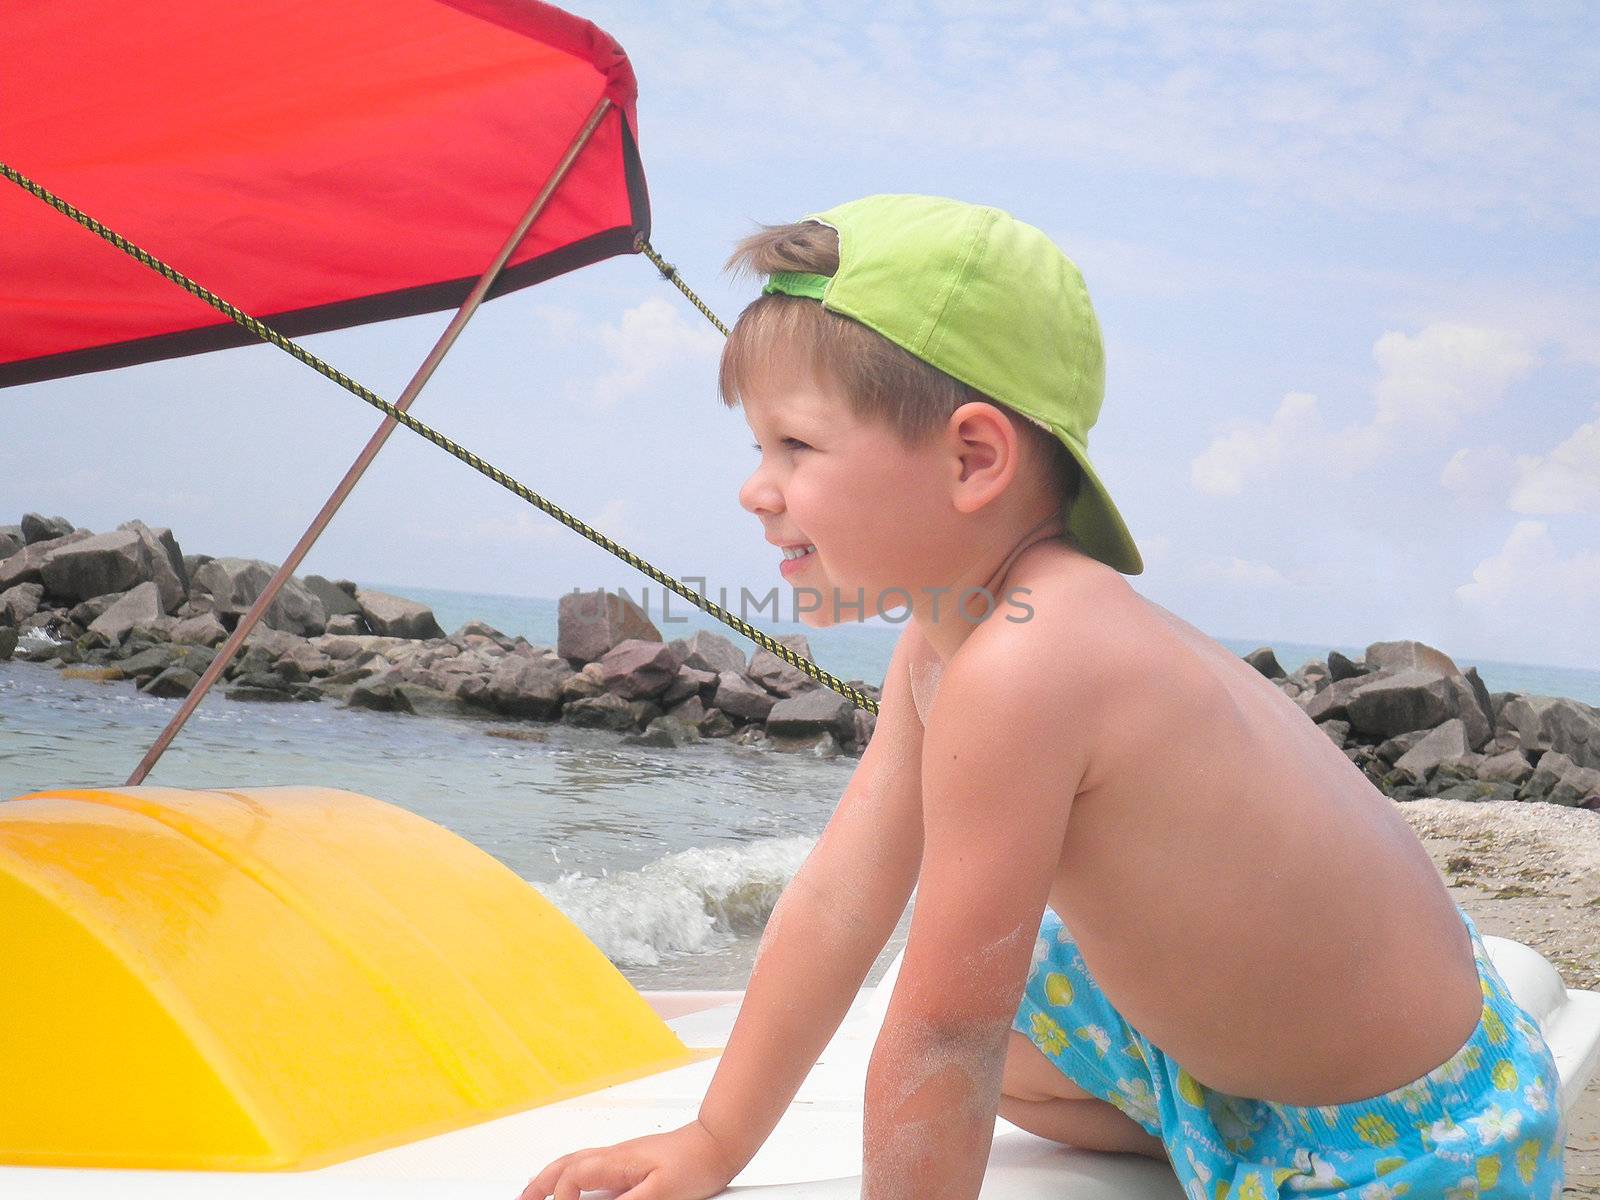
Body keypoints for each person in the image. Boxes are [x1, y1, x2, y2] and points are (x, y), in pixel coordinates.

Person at [521, 194, 1566, 1200]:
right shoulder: (952, 641)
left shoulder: (1025, 666)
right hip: (1262, 1052)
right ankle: (1201, 1125)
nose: (757, 486)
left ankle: (1219, 1131)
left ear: (973, 458)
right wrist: (714, 1137)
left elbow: (945, 1039)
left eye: (794, 445)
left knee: (960, 1015)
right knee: (1010, 997)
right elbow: (841, 897)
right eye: (757, 447)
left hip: (1401, 1139)